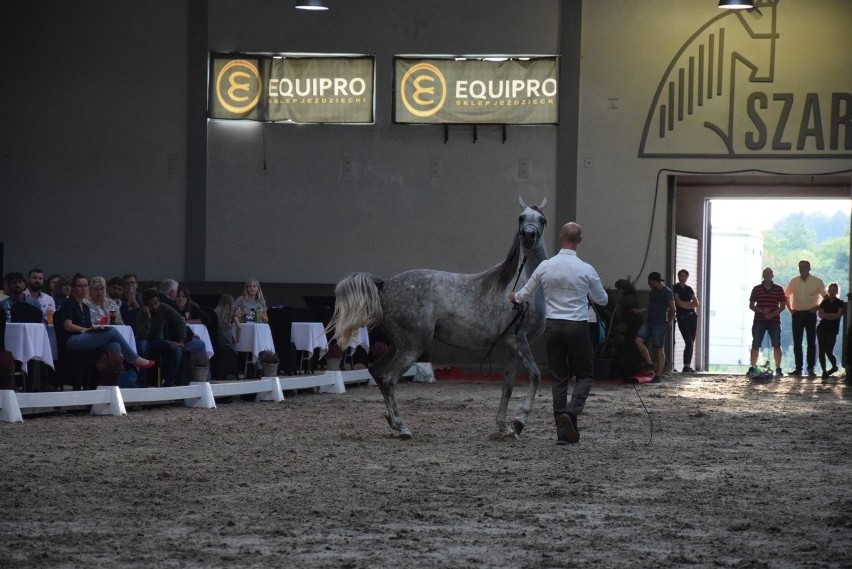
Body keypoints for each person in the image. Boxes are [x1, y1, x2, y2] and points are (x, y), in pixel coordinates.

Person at [508, 222, 608, 445]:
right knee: (585, 375)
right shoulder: (586, 269)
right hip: (578, 327)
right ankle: (571, 413)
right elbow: (603, 299)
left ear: (561, 237)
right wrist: (589, 295)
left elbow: (524, 295)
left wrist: (513, 297)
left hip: (552, 327)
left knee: (559, 379)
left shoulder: (546, 266)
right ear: (579, 241)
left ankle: (562, 435)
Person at [55, 273, 154, 368]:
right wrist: (86, 329)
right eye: (80, 286)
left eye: (85, 285)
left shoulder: (85, 306)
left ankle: (112, 380)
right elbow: (67, 325)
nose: (84, 288)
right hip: (72, 339)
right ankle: (134, 359)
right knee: (112, 332)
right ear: (73, 288)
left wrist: (94, 327)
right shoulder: (69, 302)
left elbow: (91, 323)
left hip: (85, 336)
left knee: (115, 346)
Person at [136, 289, 207, 386]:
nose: (155, 306)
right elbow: (142, 335)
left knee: (178, 349)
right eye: (151, 305)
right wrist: (147, 318)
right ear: (146, 306)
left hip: (159, 340)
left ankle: (169, 381)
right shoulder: (141, 313)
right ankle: (142, 381)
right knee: (142, 345)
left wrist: (181, 341)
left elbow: (180, 322)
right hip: (146, 341)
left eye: (156, 303)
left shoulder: (163, 307)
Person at [785, 260, 827, 377]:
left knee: (811, 342)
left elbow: (826, 297)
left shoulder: (817, 281)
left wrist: (817, 307)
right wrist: (790, 310)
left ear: (809, 268)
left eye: (804, 267)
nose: (802, 269)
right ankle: (798, 368)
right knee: (797, 342)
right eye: (800, 267)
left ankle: (810, 368)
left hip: (810, 314)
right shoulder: (794, 281)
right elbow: (786, 296)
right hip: (797, 314)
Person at [633, 272, 676, 378]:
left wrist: (669, 321)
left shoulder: (667, 292)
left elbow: (672, 309)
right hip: (649, 321)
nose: (648, 283)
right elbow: (651, 307)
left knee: (659, 348)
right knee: (638, 340)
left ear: (655, 281)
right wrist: (639, 311)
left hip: (660, 323)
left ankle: (658, 374)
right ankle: (650, 363)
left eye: (650, 281)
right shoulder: (653, 292)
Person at [747, 267, 787, 378]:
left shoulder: (779, 289)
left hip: (774, 321)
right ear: (763, 275)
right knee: (755, 344)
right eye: (765, 273)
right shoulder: (756, 289)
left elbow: (783, 306)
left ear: (773, 275)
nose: (768, 275)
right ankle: (752, 366)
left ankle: (778, 368)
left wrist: (772, 314)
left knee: (777, 344)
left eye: (769, 273)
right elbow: (751, 305)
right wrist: (761, 311)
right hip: (759, 320)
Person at [672, 269, 698, 373]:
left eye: (684, 276)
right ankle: (686, 366)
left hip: (692, 316)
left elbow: (696, 303)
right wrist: (688, 304)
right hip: (682, 317)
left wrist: (686, 304)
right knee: (689, 341)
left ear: (687, 277)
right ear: (678, 277)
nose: (683, 278)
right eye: (681, 275)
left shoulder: (689, 289)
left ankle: (687, 365)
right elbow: (678, 302)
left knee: (691, 341)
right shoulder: (676, 287)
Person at [817, 282, 844, 379]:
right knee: (821, 350)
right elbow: (820, 315)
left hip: (832, 329)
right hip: (822, 328)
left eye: (834, 290)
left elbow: (838, 315)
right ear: (828, 291)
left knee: (828, 350)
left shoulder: (840, 303)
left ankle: (834, 367)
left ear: (837, 291)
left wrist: (827, 315)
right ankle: (824, 370)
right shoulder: (824, 302)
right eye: (830, 290)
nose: (832, 292)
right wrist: (831, 315)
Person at [213, 294, 242, 380]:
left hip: (217, 336)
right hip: (227, 336)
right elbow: (239, 327)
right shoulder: (232, 313)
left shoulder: (215, 311)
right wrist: (237, 339)